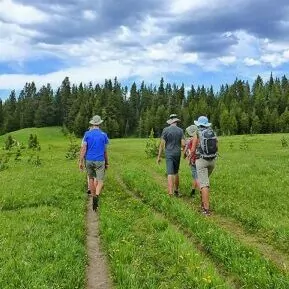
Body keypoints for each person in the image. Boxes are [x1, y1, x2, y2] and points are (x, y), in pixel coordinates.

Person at [79, 115, 109, 211]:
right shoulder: (104, 135)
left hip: (89, 160)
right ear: (100, 124)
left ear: (92, 123)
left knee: (91, 178)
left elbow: (84, 149)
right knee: (100, 181)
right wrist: (107, 162)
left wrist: (80, 161)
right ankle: (96, 195)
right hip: (100, 160)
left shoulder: (87, 134)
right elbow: (105, 151)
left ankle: (92, 197)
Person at [190, 116, 218, 216]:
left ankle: (206, 210)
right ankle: (203, 204)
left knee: (204, 184)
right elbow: (217, 146)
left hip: (201, 160)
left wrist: (190, 158)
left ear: (198, 124)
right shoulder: (212, 132)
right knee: (204, 182)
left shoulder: (197, 133)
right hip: (212, 161)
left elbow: (193, 149)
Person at [157, 114, 186, 197]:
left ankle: (170, 193)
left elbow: (162, 144)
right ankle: (176, 191)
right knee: (176, 172)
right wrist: (184, 152)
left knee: (170, 173)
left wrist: (159, 156)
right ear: (176, 121)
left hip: (169, 153)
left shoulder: (165, 130)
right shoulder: (180, 130)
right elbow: (183, 144)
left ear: (170, 121)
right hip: (177, 153)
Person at [184, 125, 200, 197]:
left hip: (193, 160)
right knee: (197, 176)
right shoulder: (200, 138)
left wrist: (188, 158)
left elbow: (187, 151)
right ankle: (193, 191)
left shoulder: (190, 140)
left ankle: (201, 192)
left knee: (196, 177)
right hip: (201, 159)